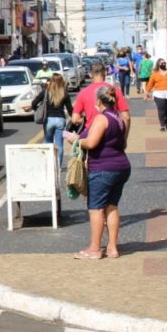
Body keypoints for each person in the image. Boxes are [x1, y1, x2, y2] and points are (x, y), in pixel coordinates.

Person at [63, 85, 131, 260]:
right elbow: (122, 142)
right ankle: (112, 248)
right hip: (121, 167)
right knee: (112, 207)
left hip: (103, 169)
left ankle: (94, 248)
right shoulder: (119, 118)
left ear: (98, 101)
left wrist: (75, 140)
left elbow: (91, 143)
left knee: (96, 209)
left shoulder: (101, 119)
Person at [72, 62, 130, 135]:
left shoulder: (83, 93)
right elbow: (126, 117)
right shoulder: (114, 90)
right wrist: (124, 138)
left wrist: (87, 119)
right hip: (111, 133)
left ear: (90, 75)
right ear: (105, 73)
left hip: (91, 134)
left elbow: (75, 119)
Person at [32, 73, 72, 168]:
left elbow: (33, 103)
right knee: (59, 145)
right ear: (62, 82)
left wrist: (37, 108)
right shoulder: (65, 93)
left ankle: (49, 166)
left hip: (49, 120)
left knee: (48, 143)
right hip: (60, 120)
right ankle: (58, 166)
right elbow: (70, 109)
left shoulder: (46, 92)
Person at [144, 59, 167, 131]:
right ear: (158, 64)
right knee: (161, 109)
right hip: (159, 94)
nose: (163, 64)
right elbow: (150, 85)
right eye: (162, 63)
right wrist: (146, 93)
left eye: (164, 63)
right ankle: (162, 126)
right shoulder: (154, 74)